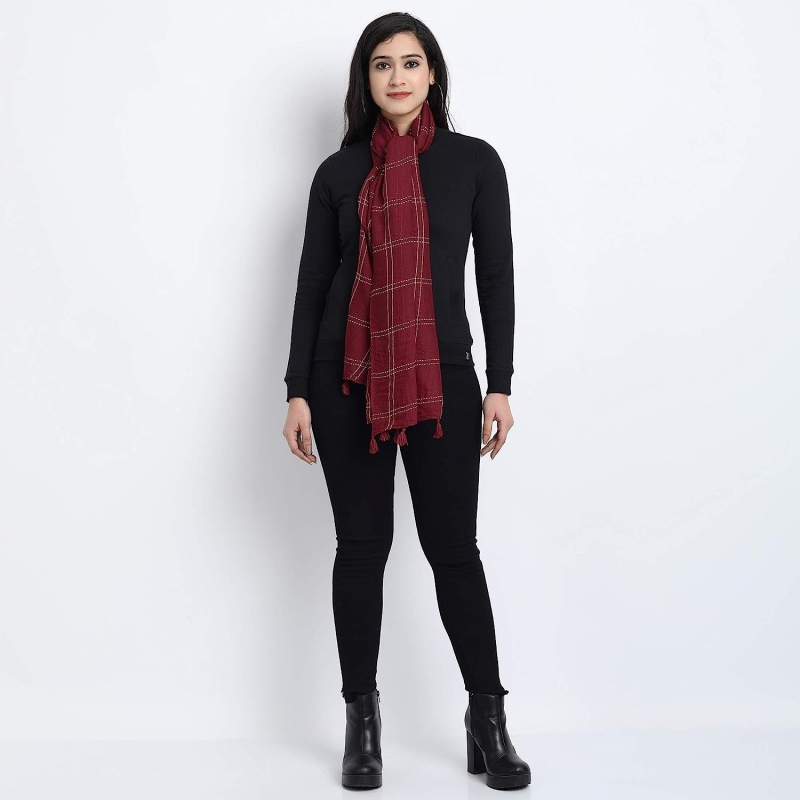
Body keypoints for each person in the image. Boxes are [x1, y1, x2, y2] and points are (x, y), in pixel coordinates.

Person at [282, 12, 530, 791]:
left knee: (454, 550)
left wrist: (499, 383)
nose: (397, 76)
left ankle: (487, 719)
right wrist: (297, 390)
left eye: (411, 62)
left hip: (441, 378)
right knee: (361, 550)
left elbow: (495, 274)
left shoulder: (474, 163)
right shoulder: (338, 172)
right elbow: (312, 284)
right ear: (366, 80)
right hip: (344, 378)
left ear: (433, 76)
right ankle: (362, 725)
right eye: (382, 64)